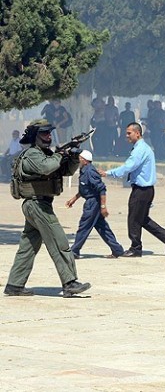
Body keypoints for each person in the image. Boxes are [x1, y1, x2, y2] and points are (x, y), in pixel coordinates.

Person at [4, 120, 91, 297]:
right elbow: (47, 167)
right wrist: (59, 154)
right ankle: (69, 282)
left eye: (49, 133)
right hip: (37, 205)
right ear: (34, 136)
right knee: (59, 241)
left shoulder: (46, 154)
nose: (48, 136)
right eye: (44, 133)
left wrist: (73, 156)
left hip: (39, 204)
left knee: (28, 247)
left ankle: (14, 284)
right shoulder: (32, 155)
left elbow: (64, 171)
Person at [99, 122, 165, 257]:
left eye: (129, 133)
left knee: (134, 219)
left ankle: (136, 248)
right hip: (146, 190)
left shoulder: (140, 150)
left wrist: (108, 173)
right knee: (142, 219)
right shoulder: (141, 148)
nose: (127, 136)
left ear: (137, 133)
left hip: (141, 190)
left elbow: (129, 166)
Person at [65, 150, 125, 259]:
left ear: (84, 160)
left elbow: (101, 189)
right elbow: (85, 189)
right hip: (91, 201)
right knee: (102, 228)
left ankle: (74, 251)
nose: (78, 159)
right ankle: (117, 249)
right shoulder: (84, 170)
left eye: (80, 158)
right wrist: (74, 199)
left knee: (84, 226)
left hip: (93, 203)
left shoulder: (90, 172)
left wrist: (103, 206)